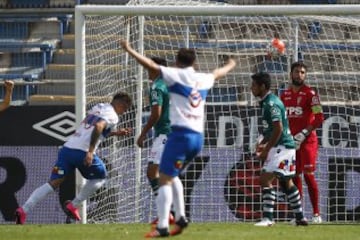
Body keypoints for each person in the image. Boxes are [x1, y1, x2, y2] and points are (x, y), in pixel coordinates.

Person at [120, 40, 236, 237]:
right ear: (194, 62)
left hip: (179, 134)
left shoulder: (175, 75)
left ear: (177, 61)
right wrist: (232, 63)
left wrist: (129, 49)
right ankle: (181, 217)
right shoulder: (203, 78)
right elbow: (218, 73)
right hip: (197, 138)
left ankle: (163, 225)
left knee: (163, 179)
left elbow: (150, 65)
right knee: (171, 175)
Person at [15, 92, 132, 224]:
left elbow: (94, 128)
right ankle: (73, 205)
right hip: (82, 151)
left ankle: (23, 210)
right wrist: (90, 152)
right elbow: (99, 126)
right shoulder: (113, 116)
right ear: (121, 104)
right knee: (100, 177)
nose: (123, 113)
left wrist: (115, 133)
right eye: (125, 109)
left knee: (53, 183)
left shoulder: (99, 107)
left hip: (67, 149)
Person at [250, 72, 308, 227]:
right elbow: (272, 130)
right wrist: (262, 140)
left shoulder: (271, 104)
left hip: (282, 147)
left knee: (265, 179)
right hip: (285, 146)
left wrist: (265, 150)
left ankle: (268, 218)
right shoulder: (266, 102)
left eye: (254, 85)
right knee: (286, 182)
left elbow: (278, 129)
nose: (251, 88)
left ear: (262, 86)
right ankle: (300, 218)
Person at [280, 61, 324, 223]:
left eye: (303, 72)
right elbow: (281, 119)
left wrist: (304, 133)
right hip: (291, 141)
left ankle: (316, 214)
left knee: (308, 175)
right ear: (291, 74)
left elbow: (319, 118)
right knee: (294, 176)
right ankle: (299, 215)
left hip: (307, 141)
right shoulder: (284, 95)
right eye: (297, 72)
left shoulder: (311, 94)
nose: (299, 75)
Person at [136, 56, 174, 225]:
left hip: (165, 133)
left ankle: (167, 213)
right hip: (177, 133)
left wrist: (143, 133)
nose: (146, 71)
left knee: (153, 171)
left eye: (148, 67)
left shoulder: (157, 86)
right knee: (162, 173)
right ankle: (167, 213)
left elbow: (156, 113)